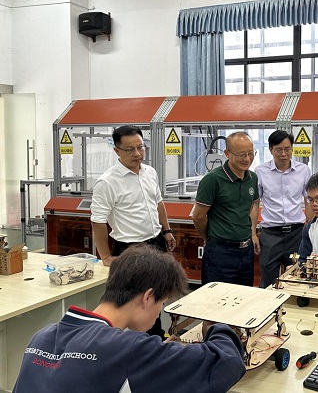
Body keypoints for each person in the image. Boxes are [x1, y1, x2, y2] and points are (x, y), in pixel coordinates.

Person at [13, 244, 246, 393]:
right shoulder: (128, 348)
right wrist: (215, 325)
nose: (159, 313)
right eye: (162, 304)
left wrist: (154, 356)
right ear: (148, 297)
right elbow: (227, 363)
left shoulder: (41, 337)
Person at [91, 125, 177, 337]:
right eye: (130, 149)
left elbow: (158, 203)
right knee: (134, 303)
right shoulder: (107, 182)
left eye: (140, 147)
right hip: (129, 248)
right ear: (117, 151)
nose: (137, 153)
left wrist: (166, 230)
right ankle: (134, 343)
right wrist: (105, 256)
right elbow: (98, 221)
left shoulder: (150, 172)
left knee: (156, 297)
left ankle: (156, 338)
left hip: (155, 242)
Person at [193, 131, 260, 286]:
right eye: (242, 154)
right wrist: (210, 239)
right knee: (216, 297)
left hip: (246, 251)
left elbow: (253, 204)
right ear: (227, 153)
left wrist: (253, 234)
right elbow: (198, 217)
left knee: (243, 295)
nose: (247, 159)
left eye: (251, 153)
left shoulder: (252, 178)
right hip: (220, 253)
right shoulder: (212, 180)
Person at [255, 130, 313, 288]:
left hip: (296, 233)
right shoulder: (260, 171)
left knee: (298, 278)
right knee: (268, 280)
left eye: (287, 149)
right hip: (270, 234)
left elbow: (309, 200)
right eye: (278, 150)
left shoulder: (303, 170)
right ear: (271, 150)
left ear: (292, 148)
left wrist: (311, 229)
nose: (283, 154)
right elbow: (254, 203)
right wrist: (252, 233)